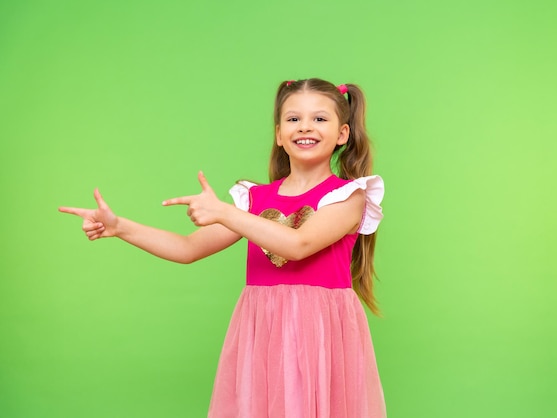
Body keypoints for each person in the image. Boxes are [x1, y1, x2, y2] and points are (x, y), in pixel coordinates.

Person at [59, 78, 386, 417]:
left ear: (343, 134)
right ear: (278, 134)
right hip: (263, 334)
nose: (305, 127)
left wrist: (225, 212)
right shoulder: (254, 199)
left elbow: (298, 245)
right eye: (293, 119)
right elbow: (187, 248)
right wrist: (120, 227)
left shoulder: (349, 196)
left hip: (320, 334)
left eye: (319, 119)